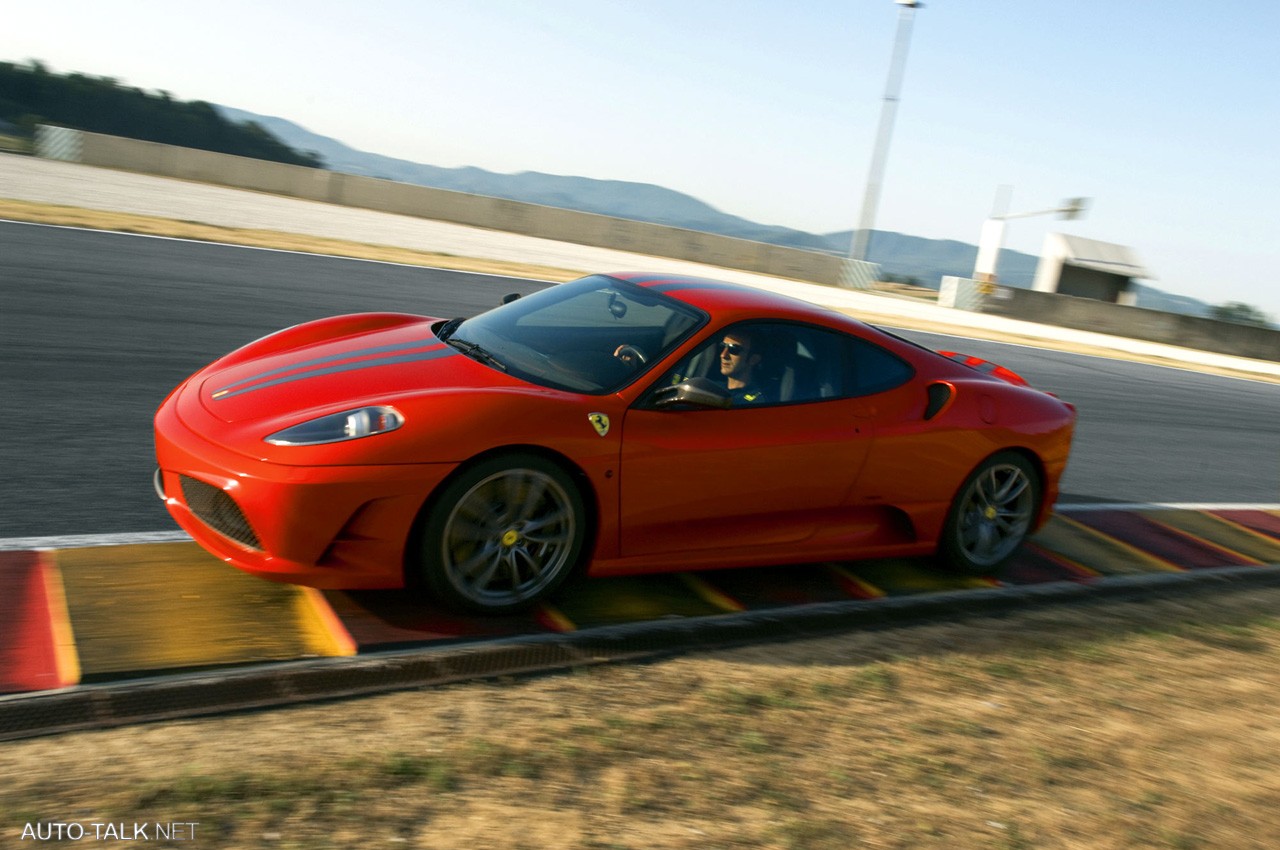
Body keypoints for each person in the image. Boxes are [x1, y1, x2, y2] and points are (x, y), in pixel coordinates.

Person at [718, 330, 768, 404]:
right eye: (723, 346)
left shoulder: (757, 402)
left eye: (734, 349)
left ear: (753, 359)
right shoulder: (710, 387)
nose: (723, 355)